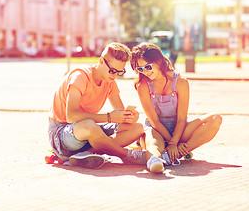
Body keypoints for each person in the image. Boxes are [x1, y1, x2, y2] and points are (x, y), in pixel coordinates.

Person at [48, 42, 164, 173]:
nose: (115, 76)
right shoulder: (80, 76)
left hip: (88, 135)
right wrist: (109, 117)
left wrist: (128, 116)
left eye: (120, 72)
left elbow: (120, 114)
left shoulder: (109, 81)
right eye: (113, 71)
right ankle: (126, 155)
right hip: (61, 133)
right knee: (90, 125)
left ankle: (84, 154)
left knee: (137, 128)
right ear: (101, 61)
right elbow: (71, 116)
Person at [130, 42, 222, 165]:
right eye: (140, 69)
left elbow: (181, 118)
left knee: (216, 119)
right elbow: (154, 121)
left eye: (148, 67)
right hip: (156, 130)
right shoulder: (142, 86)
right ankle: (159, 157)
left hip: (180, 129)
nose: (145, 72)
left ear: (158, 61)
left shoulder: (181, 82)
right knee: (153, 142)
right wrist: (171, 141)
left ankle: (177, 152)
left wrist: (174, 143)